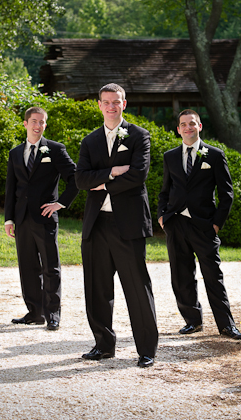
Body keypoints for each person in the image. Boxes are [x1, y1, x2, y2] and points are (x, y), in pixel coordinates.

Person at [75, 83, 159, 368]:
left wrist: (101, 182)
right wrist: (111, 172)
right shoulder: (89, 141)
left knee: (137, 287)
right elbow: (80, 180)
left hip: (129, 224)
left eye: (116, 102)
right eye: (106, 102)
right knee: (97, 288)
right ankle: (103, 344)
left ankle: (146, 349)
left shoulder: (139, 136)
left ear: (124, 104)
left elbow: (138, 175)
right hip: (96, 224)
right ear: (99, 104)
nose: (111, 106)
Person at [157, 109, 241, 340]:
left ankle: (226, 325)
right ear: (178, 129)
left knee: (213, 275)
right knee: (181, 275)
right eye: (183, 124)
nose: (188, 128)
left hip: (204, 226)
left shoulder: (214, 155)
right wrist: (162, 216)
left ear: (200, 126)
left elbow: (227, 194)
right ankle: (192, 321)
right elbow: (164, 191)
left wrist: (215, 224)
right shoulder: (170, 156)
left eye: (192, 124)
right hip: (175, 224)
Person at [4, 107, 79, 331]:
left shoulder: (55, 149)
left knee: (50, 267)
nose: (38, 126)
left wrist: (61, 203)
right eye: (34, 121)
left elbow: (75, 178)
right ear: (25, 123)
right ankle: (34, 312)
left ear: (45, 125)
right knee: (27, 267)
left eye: (42, 122)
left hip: (45, 218)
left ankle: (53, 313)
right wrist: (9, 219)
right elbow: (11, 188)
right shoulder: (15, 153)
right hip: (22, 219)